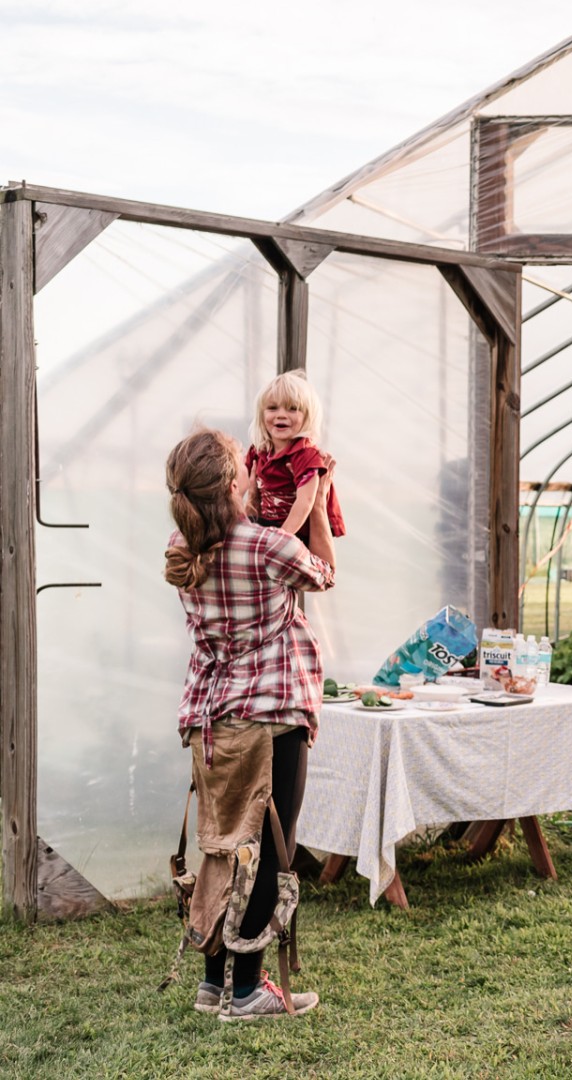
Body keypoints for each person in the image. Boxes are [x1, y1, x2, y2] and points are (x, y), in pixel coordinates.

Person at [166, 428, 335, 1021]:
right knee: (267, 849)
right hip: (270, 715)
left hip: (212, 717)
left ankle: (215, 981)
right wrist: (317, 497)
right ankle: (250, 990)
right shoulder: (267, 547)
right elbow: (324, 574)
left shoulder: (181, 548)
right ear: (237, 484)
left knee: (222, 845)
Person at [242, 370, 345, 548]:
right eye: (272, 408)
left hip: (296, 533)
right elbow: (238, 483)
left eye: (292, 408)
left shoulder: (305, 454)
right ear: (261, 414)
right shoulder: (259, 451)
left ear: (307, 417)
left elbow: (304, 502)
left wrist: (282, 538)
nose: (281, 415)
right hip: (266, 525)